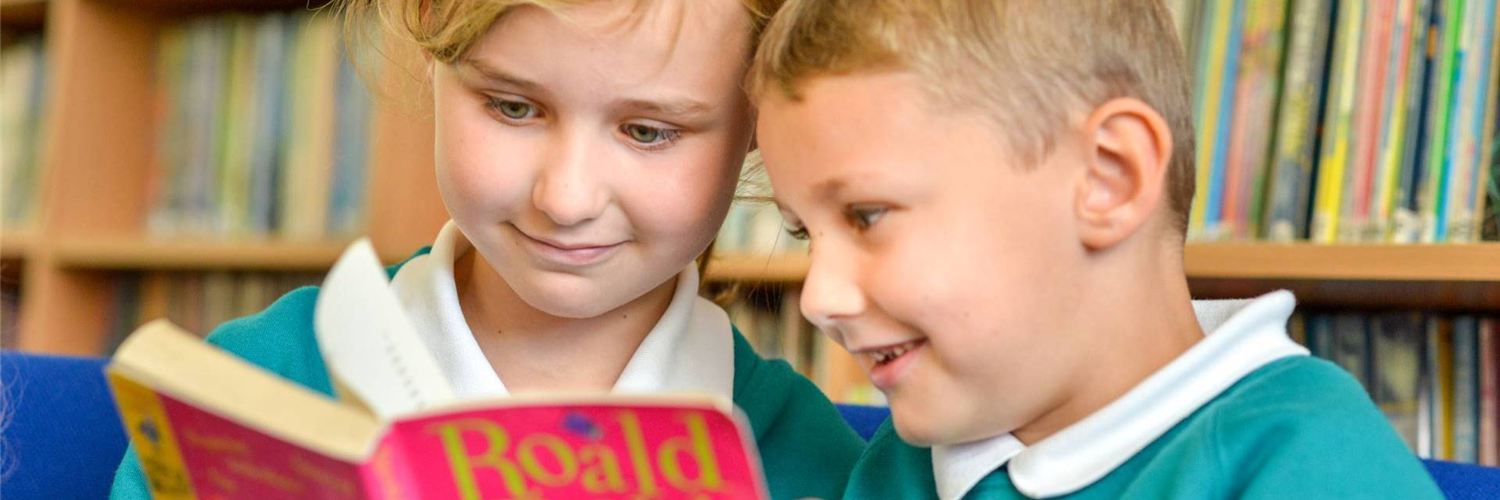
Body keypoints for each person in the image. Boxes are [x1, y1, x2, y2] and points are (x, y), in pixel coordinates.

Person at [110, 1, 863, 499]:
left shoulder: (814, 463)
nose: (566, 198)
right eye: (512, 106)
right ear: (430, 39)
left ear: (762, 118)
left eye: (647, 132)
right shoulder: (251, 389)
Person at [749, 0, 1443, 498]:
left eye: (867, 215)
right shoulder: (903, 464)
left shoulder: (1310, 461)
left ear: (1109, 178)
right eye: (805, 233)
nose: (818, 299)